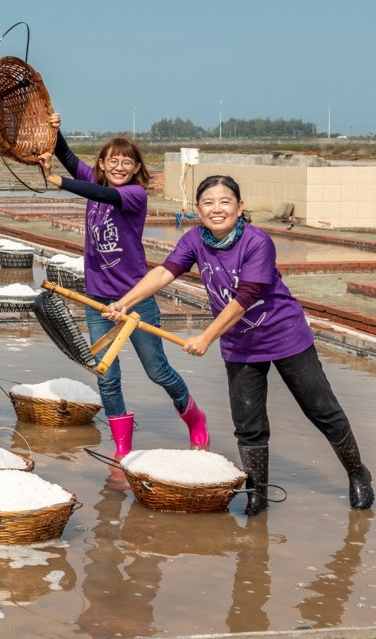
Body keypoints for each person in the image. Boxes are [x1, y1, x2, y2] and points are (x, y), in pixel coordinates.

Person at [107, 175, 373, 515]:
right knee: (248, 423)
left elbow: (245, 297)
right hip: (240, 345)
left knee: (322, 409)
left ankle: (357, 473)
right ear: (198, 209)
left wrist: (206, 337)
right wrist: (125, 302)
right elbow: (165, 272)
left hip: (285, 336)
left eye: (224, 201)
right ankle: (257, 495)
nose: (216, 209)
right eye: (208, 203)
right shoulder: (194, 240)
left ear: (239, 206)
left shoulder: (257, 242)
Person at [37, 113, 208, 459]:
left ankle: (194, 416)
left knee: (156, 369)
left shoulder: (134, 195)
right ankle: (121, 448)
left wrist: (56, 180)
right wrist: (55, 131)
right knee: (105, 374)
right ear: (102, 163)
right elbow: (69, 157)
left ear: (135, 168)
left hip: (135, 299)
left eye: (126, 162)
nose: (118, 166)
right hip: (98, 299)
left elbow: (97, 191)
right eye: (112, 161)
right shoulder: (97, 181)